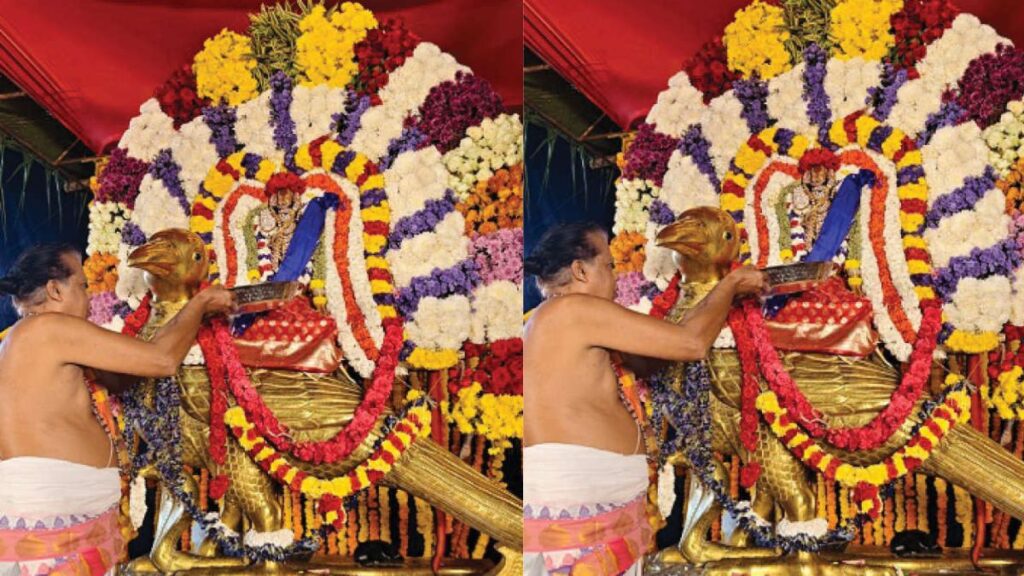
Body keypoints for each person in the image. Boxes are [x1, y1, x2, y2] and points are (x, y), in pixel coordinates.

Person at [523, 222, 766, 575]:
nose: (615, 277)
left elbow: (655, 359)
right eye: (609, 265)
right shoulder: (574, 309)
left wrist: (709, 297)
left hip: (593, 493)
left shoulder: (559, 319)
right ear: (580, 270)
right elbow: (690, 344)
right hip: (581, 494)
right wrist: (729, 285)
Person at [0, 243, 235, 576]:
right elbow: (162, 361)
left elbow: (125, 376)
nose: (89, 297)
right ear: (55, 290)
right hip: (53, 513)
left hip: (63, 509)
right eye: (82, 285)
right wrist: (200, 304)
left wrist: (175, 315)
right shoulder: (48, 328)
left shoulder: (27, 338)